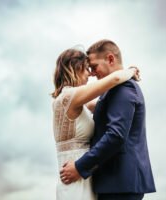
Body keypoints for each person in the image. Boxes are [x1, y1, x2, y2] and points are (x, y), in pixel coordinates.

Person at [59, 39, 156, 200]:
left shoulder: (124, 88)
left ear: (110, 59)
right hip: (115, 182)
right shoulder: (112, 91)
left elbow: (115, 135)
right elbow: (91, 106)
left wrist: (79, 167)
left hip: (120, 183)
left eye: (94, 66)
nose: (92, 73)